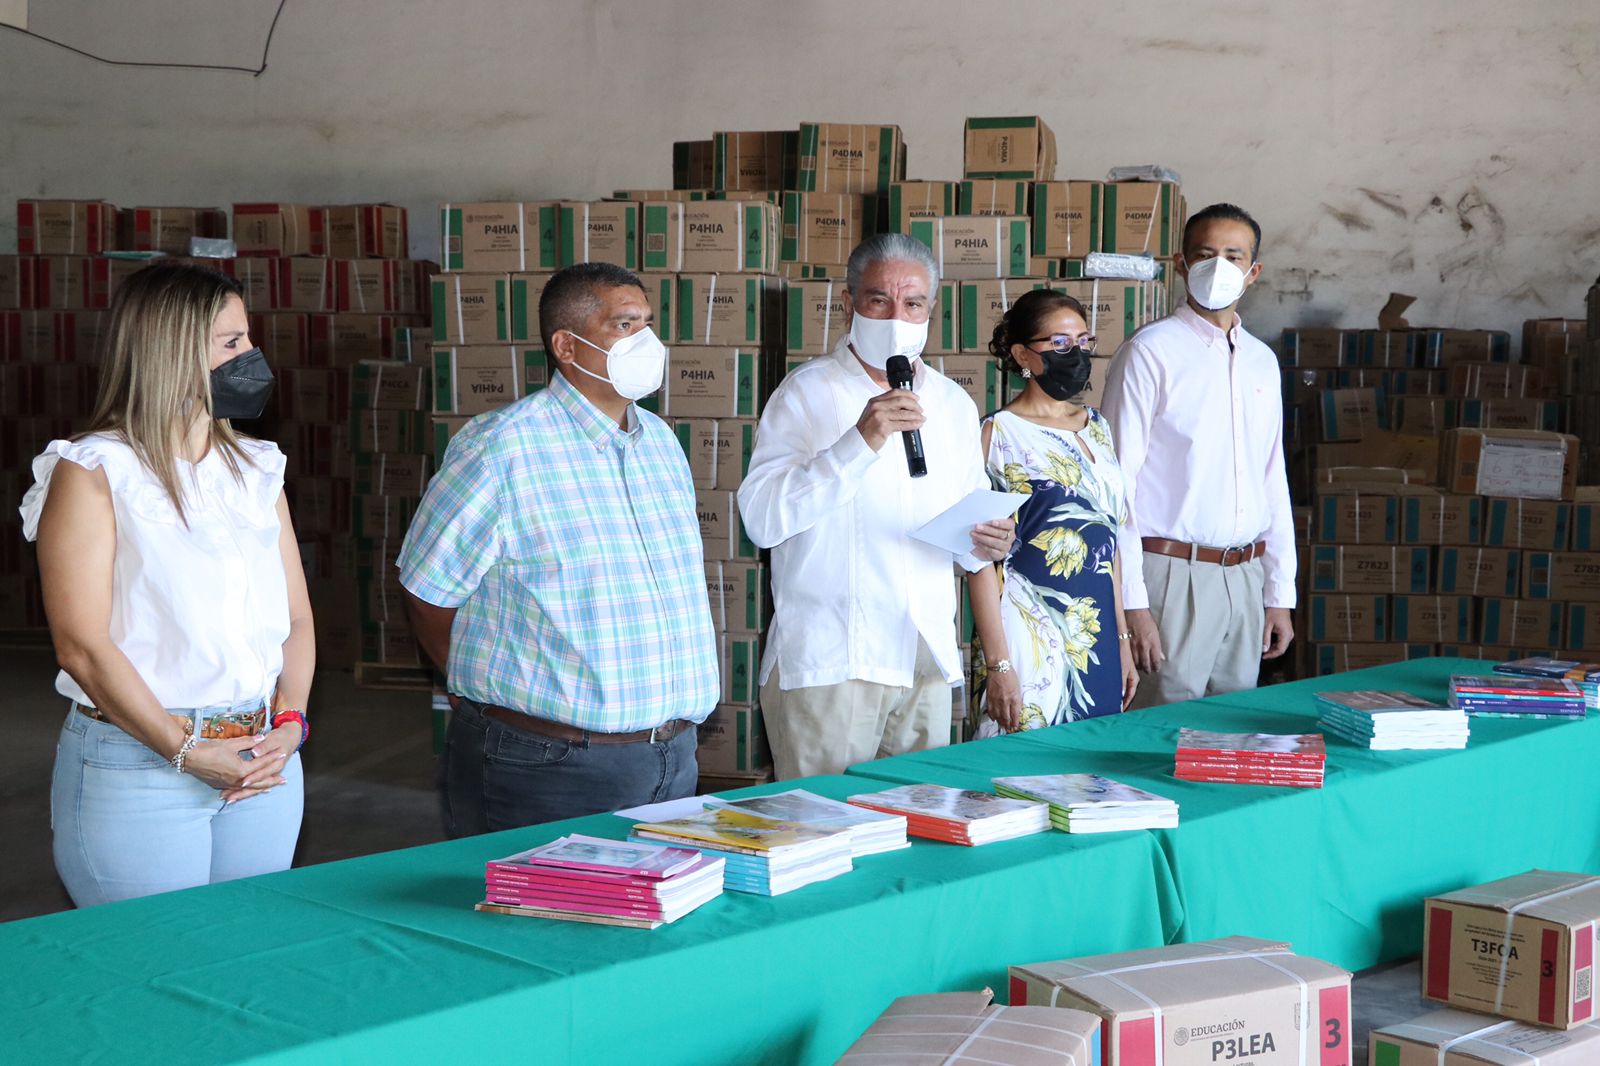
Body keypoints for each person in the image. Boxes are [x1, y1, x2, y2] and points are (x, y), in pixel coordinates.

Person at [20, 262, 312, 908]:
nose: (252, 357)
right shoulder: (94, 470)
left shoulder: (256, 469)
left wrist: (291, 720)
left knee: (247, 948)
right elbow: (82, 646)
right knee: (151, 957)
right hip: (140, 763)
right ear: (171, 354)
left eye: (247, 338)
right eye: (231, 343)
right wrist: (186, 752)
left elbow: (296, 618)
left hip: (263, 756)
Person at [400, 261, 718, 834]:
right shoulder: (503, 449)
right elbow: (428, 592)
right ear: (567, 347)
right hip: (548, 765)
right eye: (625, 325)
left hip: (672, 758)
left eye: (648, 323)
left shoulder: (660, 443)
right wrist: (483, 688)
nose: (646, 341)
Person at [737, 233, 1016, 780]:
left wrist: (989, 540)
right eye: (879, 300)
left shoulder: (952, 403)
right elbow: (762, 520)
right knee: (826, 821)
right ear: (848, 303)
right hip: (833, 662)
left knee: (921, 816)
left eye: (912, 303)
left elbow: (966, 529)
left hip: (924, 656)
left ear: (932, 309)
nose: (896, 318)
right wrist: (858, 443)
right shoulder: (805, 392)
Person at [1100, 202, 1296, 707]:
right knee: (1160, 727)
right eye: (1206, 255)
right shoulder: (1150, 352)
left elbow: (1272, 477)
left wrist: (1279, 592)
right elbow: (1116, 485)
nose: (1219, 267)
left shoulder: (1261, 361)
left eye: (1234, 256)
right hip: (1170, 575)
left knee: (1232, 732)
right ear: (1182, 264)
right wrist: (1133, 604)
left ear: (1254, 272)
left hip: (1245, 575)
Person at [968, 290, 1138, 738]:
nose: (1076, 353)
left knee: (1094, 762)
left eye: (1083, 341)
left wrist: (1122, 639)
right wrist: (998, 664)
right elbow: (977, 560)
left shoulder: (1098, 427)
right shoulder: (997, 434)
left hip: (1096, 632)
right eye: (1059, 343)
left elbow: (1110, 543)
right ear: (1023, 354)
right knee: (1024, 764)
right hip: (1029, 634)